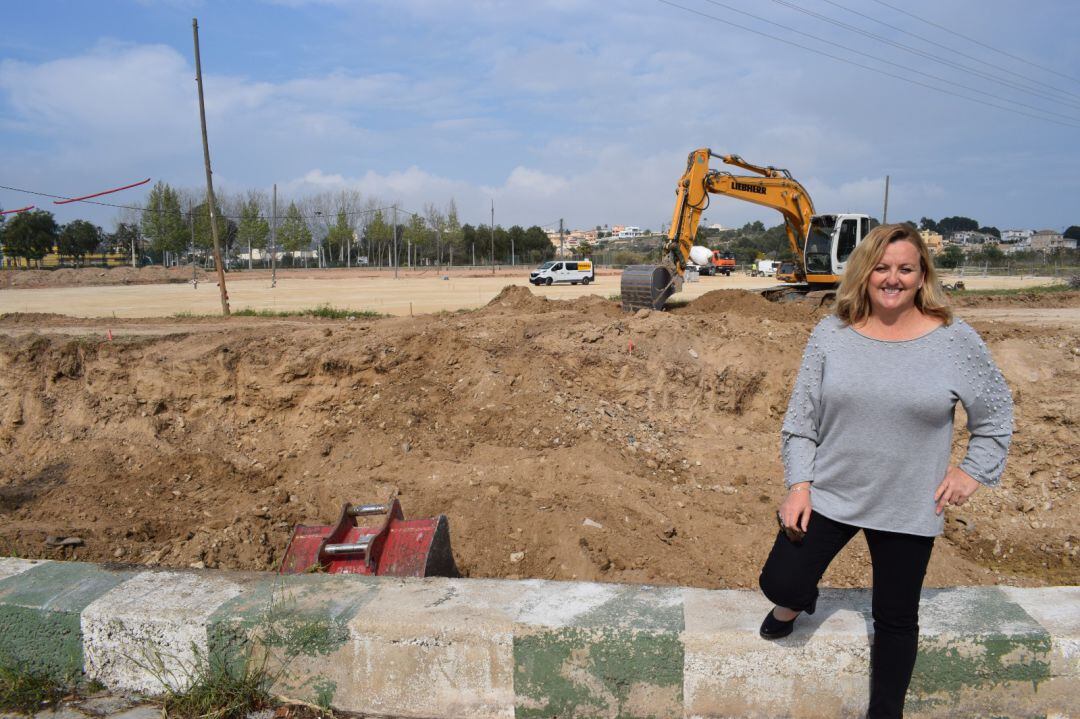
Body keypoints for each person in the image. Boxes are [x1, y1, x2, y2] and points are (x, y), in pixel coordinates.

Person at [757, 223, 1013, 718]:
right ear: (864, 271)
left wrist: (972, 473)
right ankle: (792, 604)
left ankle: (885, 712)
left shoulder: (954, 340)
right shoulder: (831, 334)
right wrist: (799, 485)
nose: (892, 278)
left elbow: (997, 414)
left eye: (905, 269)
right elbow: (800, 420)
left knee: (895, 618)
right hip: (832, 491)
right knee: (781, 584)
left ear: (922, 276)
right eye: (882, 267)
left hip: (908, 502)